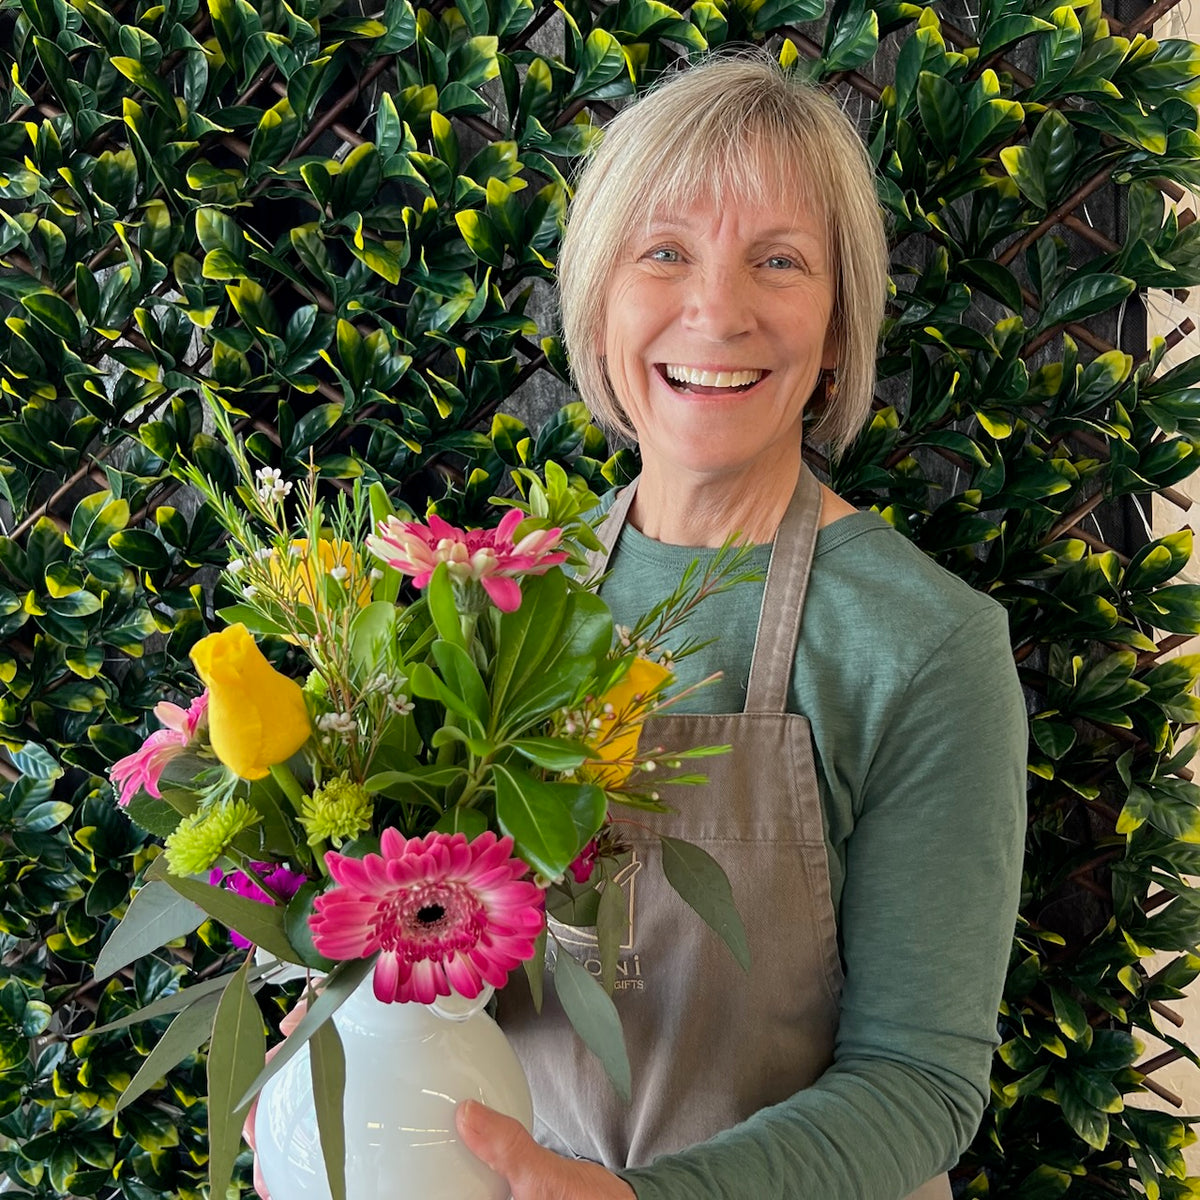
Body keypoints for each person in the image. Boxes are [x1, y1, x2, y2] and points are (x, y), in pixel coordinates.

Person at [248, 51, 1027, 1200]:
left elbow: (919, 1081)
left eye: (780, 261)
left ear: (838, 321)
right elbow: (425, 937)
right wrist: (336, 1066)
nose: (718, 310)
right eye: (664, 252)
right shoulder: (500, 601)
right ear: (600, 292)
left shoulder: (923, 645)